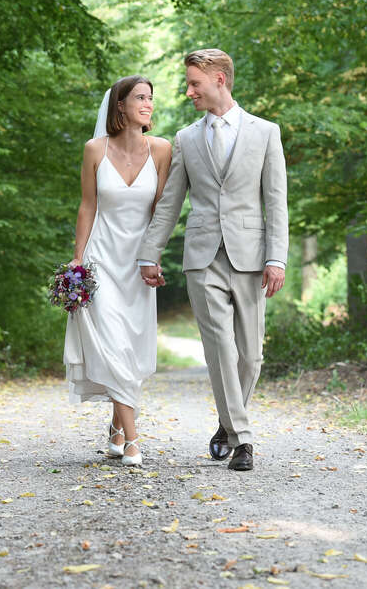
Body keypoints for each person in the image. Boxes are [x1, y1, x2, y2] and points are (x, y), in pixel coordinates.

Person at [137, 49, 288, 472]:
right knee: (220, 348)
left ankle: (226, 422)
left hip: (251, 257)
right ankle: (243, 440)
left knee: (251, 356)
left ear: (219, 79)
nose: (188, 92)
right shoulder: (187, 138)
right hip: (202, 258)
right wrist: (150, 253)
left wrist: (277, 257)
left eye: (194, 84)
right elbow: (170, 203)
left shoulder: (265, 132)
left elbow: (276, 201)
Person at [64, 75, 172, 467]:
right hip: (101, 261)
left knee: (132, 348)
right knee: (112, 342)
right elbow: (87, 207)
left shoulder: (161, 150)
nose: (147, 104)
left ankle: (115, 426)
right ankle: (134, 441)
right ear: (120, 105)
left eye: (150, 98)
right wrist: (78, 260)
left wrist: (155, 257)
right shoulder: (95, 149)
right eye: (139, 97)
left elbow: (162, 210)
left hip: (138, 264)